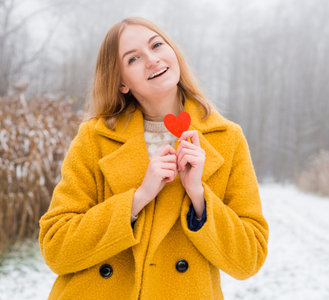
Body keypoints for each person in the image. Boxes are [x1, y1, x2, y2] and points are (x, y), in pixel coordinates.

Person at [39, 16, 269, 299]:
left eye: (157, 45)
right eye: (133, 58)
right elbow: (55, 248)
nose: (152, 59)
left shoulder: (227, 139)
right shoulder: (94, 138)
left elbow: (250, 259)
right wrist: (137, 199)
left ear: (173, 52)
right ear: (121, 82)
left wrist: (198, 196)